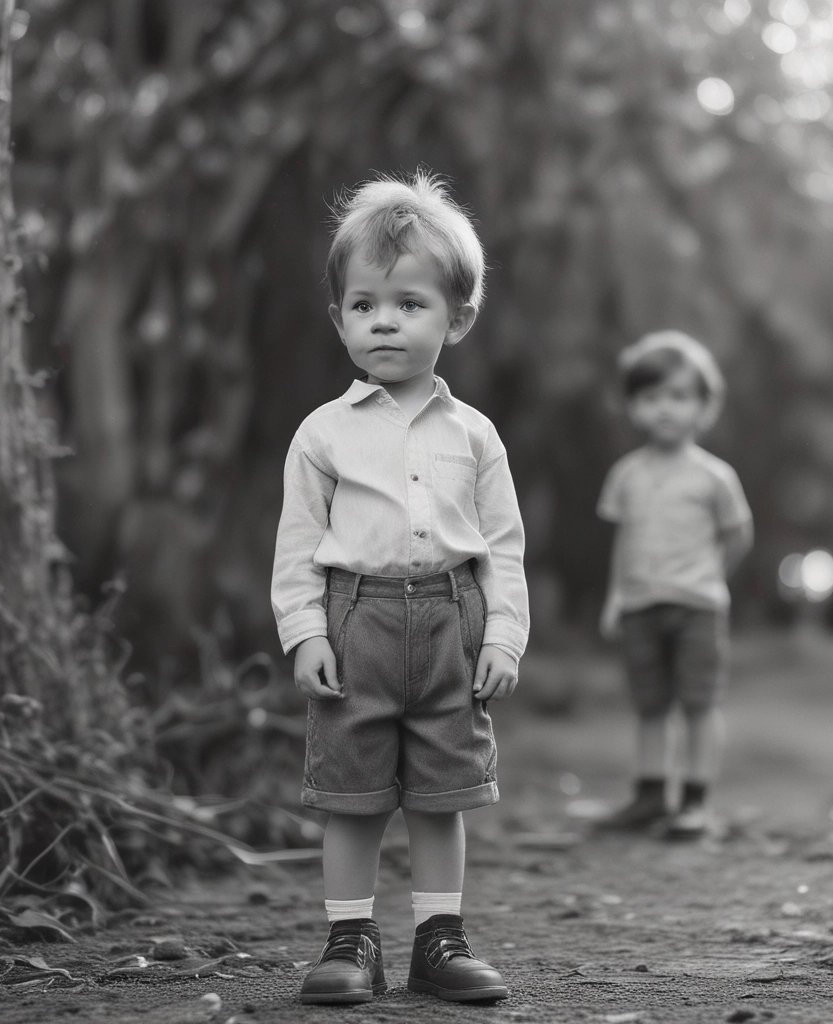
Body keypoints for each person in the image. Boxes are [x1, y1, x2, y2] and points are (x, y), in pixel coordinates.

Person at [271, 170, 529, 1004]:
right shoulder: (323, 434)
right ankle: (349, 941)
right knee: (351, 795)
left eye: (409, 303)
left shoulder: (475, 435)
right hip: (357, 626)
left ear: (457, 318)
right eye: (364, 303)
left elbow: (502, 547)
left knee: (441, 794)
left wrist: (503, 636)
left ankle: (438, 940)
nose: (384, 320)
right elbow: (299, 545)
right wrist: (305, 632)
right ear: (340, 318)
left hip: (454, 623)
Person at [597, 330, 753, 839]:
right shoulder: (625, 475)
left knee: (699, 703)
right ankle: (649, 795)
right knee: (649, 704)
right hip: (640, 606)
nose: (664, 408)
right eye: (650, 397)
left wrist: (711, 577)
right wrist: (616, 598)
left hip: (697, 608)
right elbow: (624, 541)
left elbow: (738, 534)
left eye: (679, 396)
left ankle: (695, 800)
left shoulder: (715, 477)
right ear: (632, 406)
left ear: (704, 407)